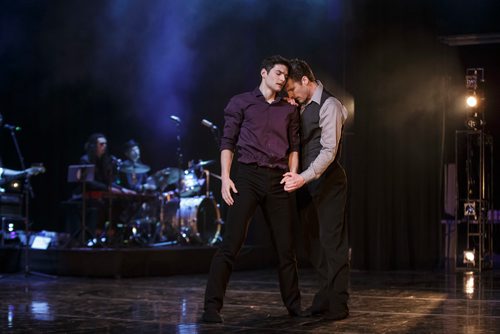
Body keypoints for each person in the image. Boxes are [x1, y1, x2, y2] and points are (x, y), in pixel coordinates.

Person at [202, 55, 304, 323]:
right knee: (231, 244)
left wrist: (293, 173)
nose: (283, 79)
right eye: (279, 73)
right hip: (247, 176)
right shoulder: (241, 102)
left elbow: (294, 147)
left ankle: (294, 305)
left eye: (286, 75)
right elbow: (228, 142)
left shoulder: (289, 108)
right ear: (264, 73)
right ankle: (211, 307)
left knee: (286, 247)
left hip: (278, 178)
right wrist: (225, 177)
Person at [282, 59, 349, 321]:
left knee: (333, 244)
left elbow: (329, 151)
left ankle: (339, 305)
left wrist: (303, 177)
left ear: (305, 82)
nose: (290, 95)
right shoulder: (301, 106)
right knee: (313, 245)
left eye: (291, 90)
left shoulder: (329, 105)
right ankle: (324, 299)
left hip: (329, 182)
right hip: (308, 184)